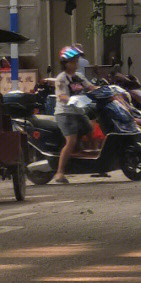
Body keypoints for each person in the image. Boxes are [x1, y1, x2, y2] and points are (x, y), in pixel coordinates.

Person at [52, 46, 91, 185]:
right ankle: (59, 172)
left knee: (89, 127)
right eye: (72, 61)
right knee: (71, 141)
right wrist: (72, 99)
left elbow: (90, 87)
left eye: (76, 61)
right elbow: (62, 96)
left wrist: (109, 89)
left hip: (78, 112)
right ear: (65, 63)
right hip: (65, 113)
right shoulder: (62, 78)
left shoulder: (78, 76)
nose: (75, 64)